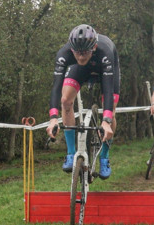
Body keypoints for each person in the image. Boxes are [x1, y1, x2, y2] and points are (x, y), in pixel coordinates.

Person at [46, 24, 120, 179]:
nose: (80, 57)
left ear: (94, 47)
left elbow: (107, 89)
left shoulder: (105, 52)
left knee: (110, 110)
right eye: (77, 52)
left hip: (105, 69)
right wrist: (53, 118)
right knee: (65, 100)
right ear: (72, 49)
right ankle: (71, 153)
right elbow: (56, 87)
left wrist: (106, 121)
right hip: (80, 70)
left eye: (85, 52)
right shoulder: (64, 54)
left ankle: (104, 157)